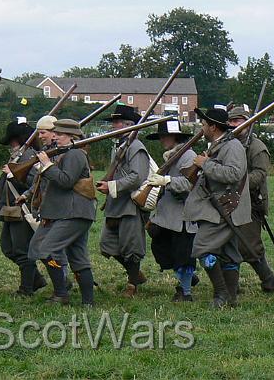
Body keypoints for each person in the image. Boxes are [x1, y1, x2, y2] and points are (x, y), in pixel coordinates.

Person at [184, 107, 250, 308]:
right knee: (228, 253)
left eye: (204, 124)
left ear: (213, 127)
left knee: (202, 249)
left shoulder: (232, 147)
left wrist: (205, 164)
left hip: (225, 207)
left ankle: (221, 294)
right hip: (220, 207)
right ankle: (230, 299)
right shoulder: (218, 145)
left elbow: (233, 174)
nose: (201, 127)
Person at [27, 119, 96, 306]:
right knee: (78, 258)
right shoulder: (65, 153)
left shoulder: (75, 155)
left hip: (73, 213)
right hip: (67, 213)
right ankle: (87, 302)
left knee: (46, 250)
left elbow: (66, 181)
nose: (55, 136)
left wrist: (47, 166)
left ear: (72, 136)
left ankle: (61, 293)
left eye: (60, 134)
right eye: (55, 133)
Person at [97, 105, 150, 298]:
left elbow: (138, 176)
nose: (113, 126)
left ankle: (132, 284)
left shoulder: (136, 146)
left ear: (128, 125)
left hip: (130, 205)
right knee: (107, 244)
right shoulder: (120, 145)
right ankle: (135, 274)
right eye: (113, 122)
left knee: (131, 248)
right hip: (115, 204)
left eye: (117, 122)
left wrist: (112, 186)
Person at [227, 105, 274, 293]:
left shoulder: (257, 147)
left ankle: (268, 278)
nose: (233, 125)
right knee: (229, 243)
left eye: (237, 121)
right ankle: (233, 285)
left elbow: (260, 175)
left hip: (251, 202)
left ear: (247, 122)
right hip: (230, 200)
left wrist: (236, 181)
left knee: (249, 245)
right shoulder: (229, 144)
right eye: (230, 121)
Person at [144, 119, 197, 301]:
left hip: (182, 215)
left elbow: (190, 184)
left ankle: (186, 292)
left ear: (176, 136)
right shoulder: (172, 155)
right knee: (162, 249)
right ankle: (187, 280)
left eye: (165, 136)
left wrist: (167, 181)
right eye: (161, 136)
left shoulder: (188, 156)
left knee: (184, 256)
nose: (162, 139)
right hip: (167, 215)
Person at [0, 117, 47, 296]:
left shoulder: (29, 156)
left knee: (21, 251)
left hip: (23, 208)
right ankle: (36, 279)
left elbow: (36, 182)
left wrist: (13, 175)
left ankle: (26, 289)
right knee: (8, 248)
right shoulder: (18, 155)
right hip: (12, 208)